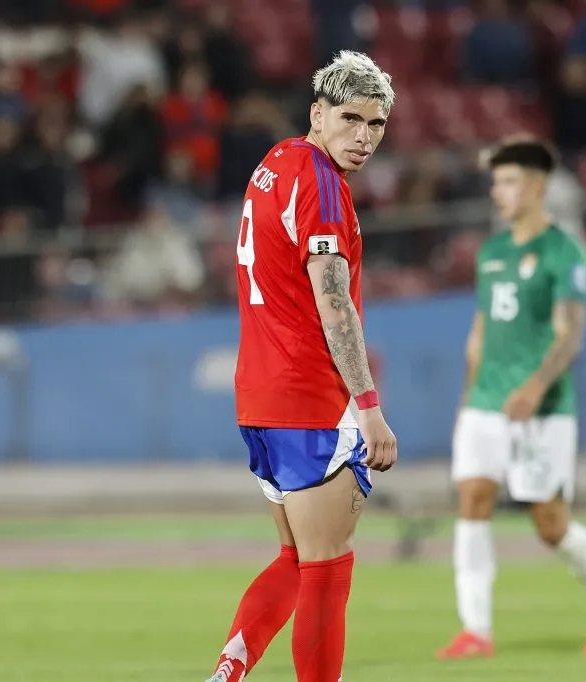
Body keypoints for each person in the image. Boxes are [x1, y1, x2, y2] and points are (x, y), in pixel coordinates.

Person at [208, 51, 398, 682]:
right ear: (318, 113)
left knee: (295, 557)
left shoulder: (276, 162)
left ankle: (228, 671)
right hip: (310, 394)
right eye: (351, 119)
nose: (364, 137)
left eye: (376, 124)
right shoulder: (321, 182)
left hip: (258, 394)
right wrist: (368, 406)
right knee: (327, 566)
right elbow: (332, 298)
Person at [438, 139, 586, 661]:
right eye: (495, 182)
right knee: (472, 499)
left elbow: (570, 334)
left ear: (537, 186)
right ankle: (476, 630)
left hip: (541, 409)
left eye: (508, 181)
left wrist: (535, 386)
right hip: (486, 403)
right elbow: (480, 332)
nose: (497, 192)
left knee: (550, 525)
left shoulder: (565, 252)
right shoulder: (491, 252)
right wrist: (466, 403)